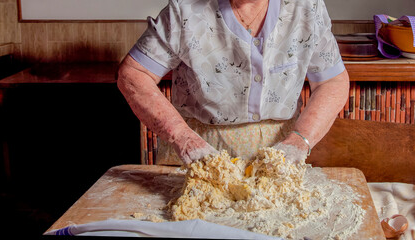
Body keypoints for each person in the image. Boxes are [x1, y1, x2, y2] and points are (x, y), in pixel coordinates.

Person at [117, 0, 349, 166]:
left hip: (281, 157)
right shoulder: (184, 10)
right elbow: (134, 75)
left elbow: (333, 81)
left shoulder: (307, 7)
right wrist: (183, 138)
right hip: (196, 156)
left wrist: (300, 140)